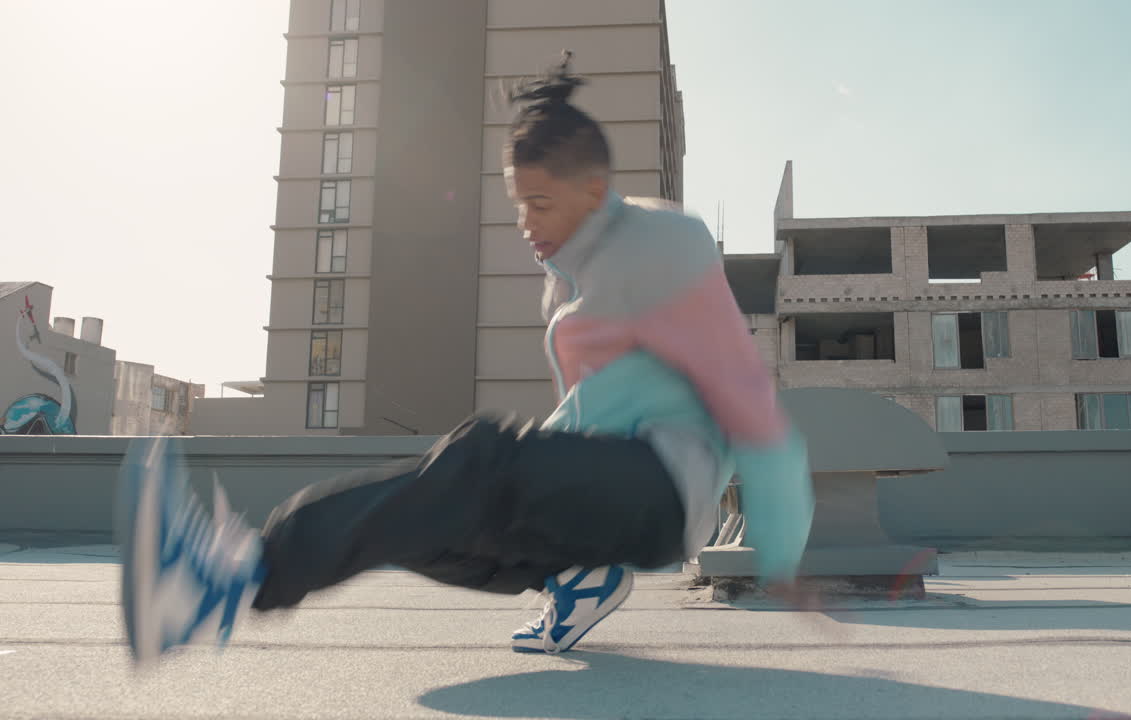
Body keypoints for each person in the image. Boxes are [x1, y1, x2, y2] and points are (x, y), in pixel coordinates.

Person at [116, 52, 814, 664]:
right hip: (605, 494)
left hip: (665, 489)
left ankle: (230, 579)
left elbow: (746, 394)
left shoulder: (669, 242)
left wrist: (780, 549)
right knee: (424, 523)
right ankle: (581, 582)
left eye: (540, 203)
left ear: (593, 190)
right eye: (518, 204)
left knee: (478, 458)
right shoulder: (565, 284)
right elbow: (591, 414)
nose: (526, 224)